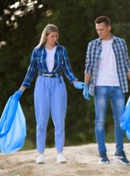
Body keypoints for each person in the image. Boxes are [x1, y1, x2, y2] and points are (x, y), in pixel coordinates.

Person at [13, 24, 84, 164]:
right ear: (46, 36)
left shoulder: (62, 50)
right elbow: (31, 71)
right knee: (41, 121)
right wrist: (21, 90)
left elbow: (67, 69)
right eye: (52, 36)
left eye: (57, 36)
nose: (55, 38)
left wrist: (75, 81)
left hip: (58, 84)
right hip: (41, 84)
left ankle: (60, 153)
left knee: (59, 120)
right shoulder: (37, 50)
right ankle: (40, 153)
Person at [83, 15, 130, 165]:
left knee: (120, 122)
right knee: (100, 121)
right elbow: (88, 67)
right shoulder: (93, 45)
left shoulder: (121, 43)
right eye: (97, 30)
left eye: (102, 29)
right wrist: (85, 85)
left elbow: (127, 65)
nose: (99, 32)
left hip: (118, 86)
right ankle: (103, 155)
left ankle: (120, 152)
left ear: (109, 27)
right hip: (100, 86)